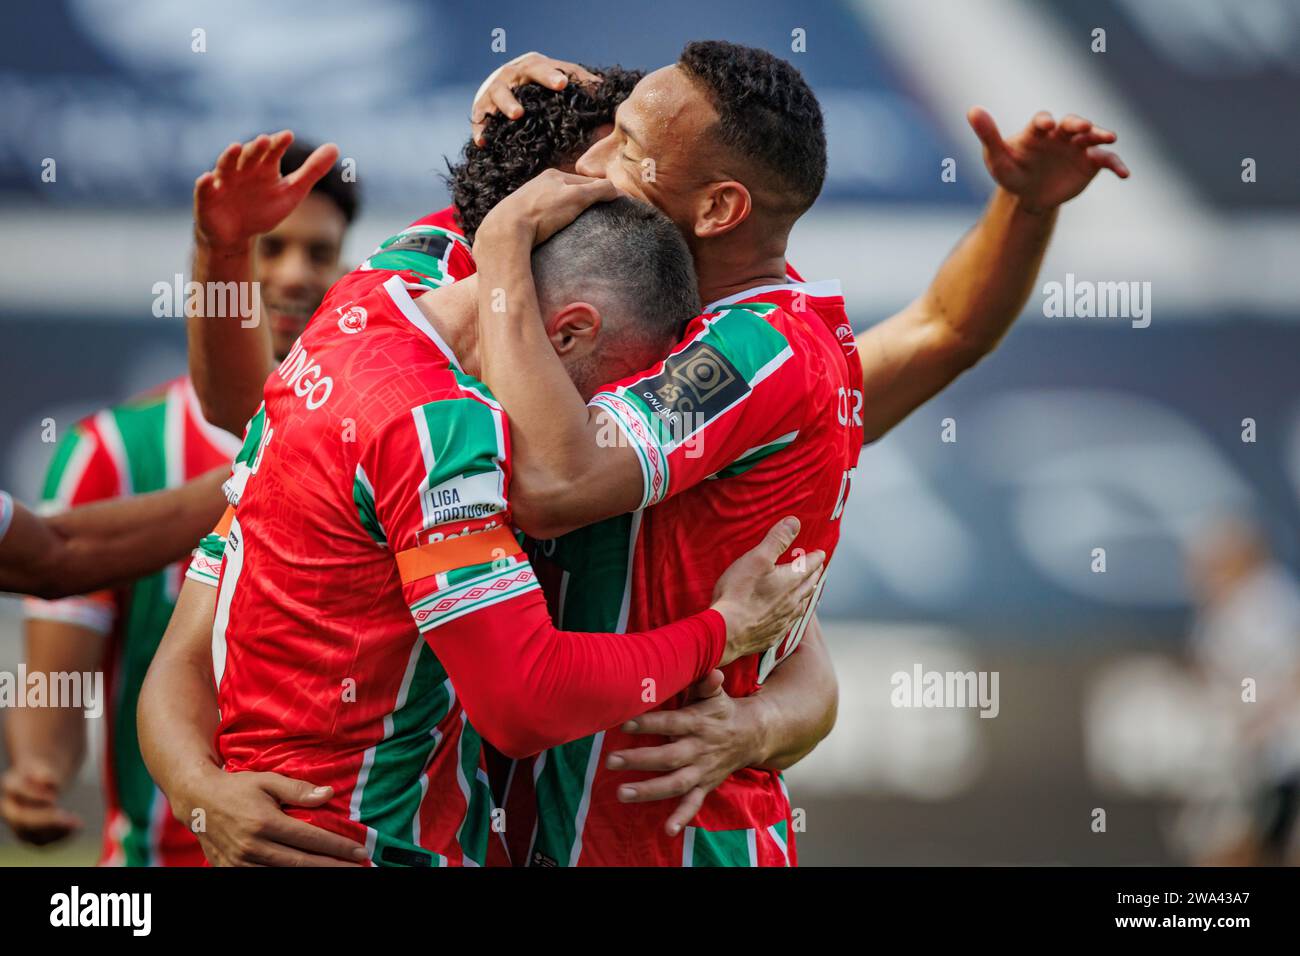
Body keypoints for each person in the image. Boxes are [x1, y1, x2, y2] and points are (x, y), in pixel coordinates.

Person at [463, 41, 1128, 866]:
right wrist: (503, 144)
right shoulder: (699, 325)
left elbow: (559, 480)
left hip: (657, 839)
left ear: (717, 210)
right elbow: (940, 332)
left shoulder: (756, 348)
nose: (594, 164)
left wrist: (498, 238)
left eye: (627, 146)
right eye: (602, 135)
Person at [139, 190, 822, 867]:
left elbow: (182, 657)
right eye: (602, 397)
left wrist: (198, 790)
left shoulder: (339, 328)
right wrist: (722, 631)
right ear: (568, 332)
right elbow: (525, 700)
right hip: (378, 848)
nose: (586, 425)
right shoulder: (443, 428)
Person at [0, 138, 358, 866]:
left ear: (347, 269)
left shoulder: (399, 435)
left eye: (318, 254)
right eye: (269, 247)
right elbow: (55, 570)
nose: (294, 274)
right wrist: (39, 769)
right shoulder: (116, 450)